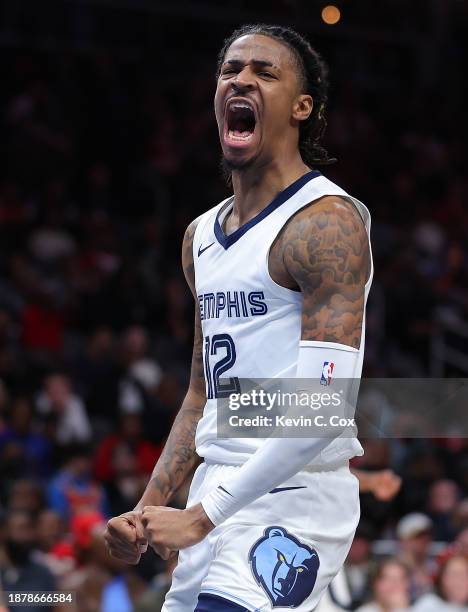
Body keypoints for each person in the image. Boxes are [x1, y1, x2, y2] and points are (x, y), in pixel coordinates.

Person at [105, 23, 373, 611]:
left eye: (263, 71)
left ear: (302, 107)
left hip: (295, 494)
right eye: (230, 70)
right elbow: (206, 393)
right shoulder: (200, 236)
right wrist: (148, 507)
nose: (241, 79)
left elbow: (323, 406)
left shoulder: (326, 222)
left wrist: (202, 517)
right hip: (213, 491)